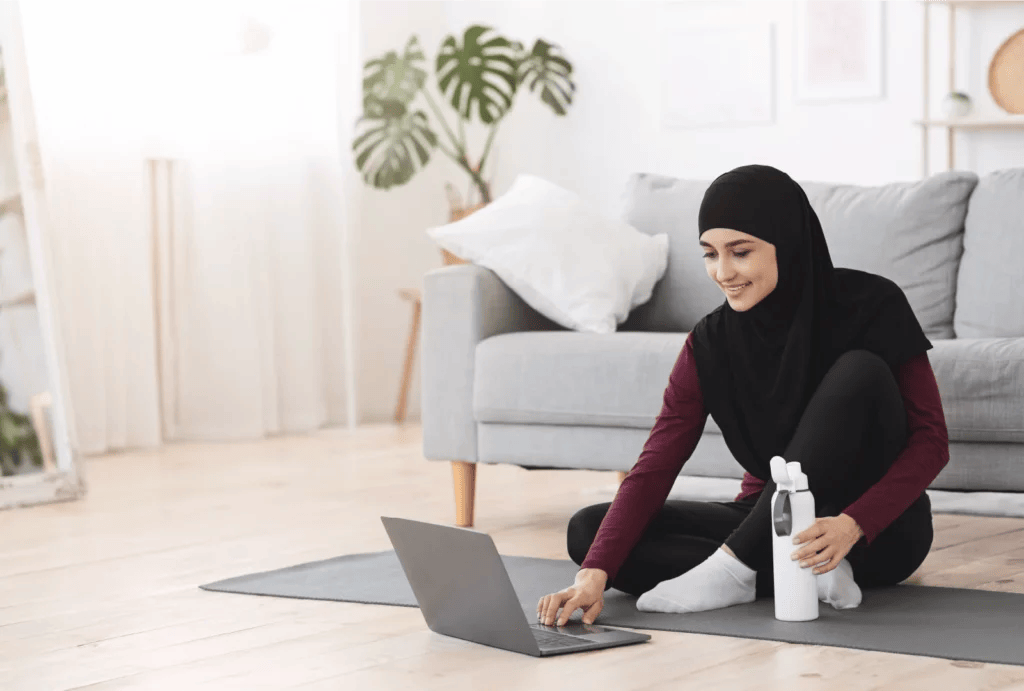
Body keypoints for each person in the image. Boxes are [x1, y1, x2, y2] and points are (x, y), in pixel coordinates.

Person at [536, 164, 948, 627]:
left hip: (877, 536)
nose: (723, 272)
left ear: (786, 243)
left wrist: (853, 522)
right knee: (589, 534)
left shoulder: (874, 304)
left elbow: (931, 441)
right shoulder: (709, 343)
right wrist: (592, 576)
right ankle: (787, 574)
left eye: (741, 252)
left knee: (860, 370)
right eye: (710, 254)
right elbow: (656, 464)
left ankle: (735, 570)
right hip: (770, 524)